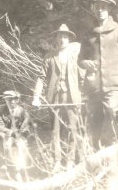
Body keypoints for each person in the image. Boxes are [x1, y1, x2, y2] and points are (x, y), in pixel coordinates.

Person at [78, 0, 118, 149]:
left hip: (114, 84)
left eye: (104, 7)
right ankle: (97, 154)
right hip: (94, 86)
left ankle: (111, 153)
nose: (100, 10)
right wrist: (85, 63)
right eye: (97, 7)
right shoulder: (89, 33)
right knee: (95, 119)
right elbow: (80, 59)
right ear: (93, 9)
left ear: (109, 10)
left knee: (111, 113)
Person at [33, 24, 82, 170]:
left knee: (72, 129)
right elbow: (41, 77)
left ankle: (70, 160)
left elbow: (83, 76)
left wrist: (83, 95)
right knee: (56, 130)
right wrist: (36, 96)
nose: (62, 40)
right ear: (56, 39)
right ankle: (57, 161)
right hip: (54, 98)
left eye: (65, 37)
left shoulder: (76, 56)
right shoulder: (49, 57)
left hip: (72, 97)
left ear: (69, 39)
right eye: (60, 37)